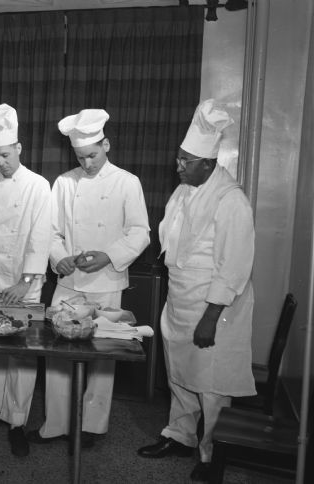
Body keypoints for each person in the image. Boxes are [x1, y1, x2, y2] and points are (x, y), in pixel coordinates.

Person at [137, 99, 256, 482]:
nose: (178, 166)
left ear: (208, 163)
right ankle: (180, 434)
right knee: (180, 375)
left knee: (212, 385)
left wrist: (210, 318)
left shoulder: (230, 200)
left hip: (214, 307)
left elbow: (234, 265)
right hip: (180, 298)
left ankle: (210, 457)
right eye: (179, 158)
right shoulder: (186, 190)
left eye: (186, 161)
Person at [27, 109, 150, 449]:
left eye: (93, 155)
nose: (88, 163)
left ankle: (93, 427)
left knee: (101, 358)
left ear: (106, 145)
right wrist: (60, 258)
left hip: (107, 282)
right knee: (57, 355)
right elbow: (49, 232)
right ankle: (56, 425)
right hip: (68, 285)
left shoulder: (127, 182)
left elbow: (140, 233)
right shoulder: (64, 183)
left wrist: (110, 255)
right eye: (81, 157)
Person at [0, 103, 51, 457]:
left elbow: (41, 236)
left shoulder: (38, 186)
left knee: (21, 353)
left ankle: (17, 420)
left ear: (19, 147)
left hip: (24, 282)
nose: (0, 162)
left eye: (5, 154)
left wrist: (26, 281)